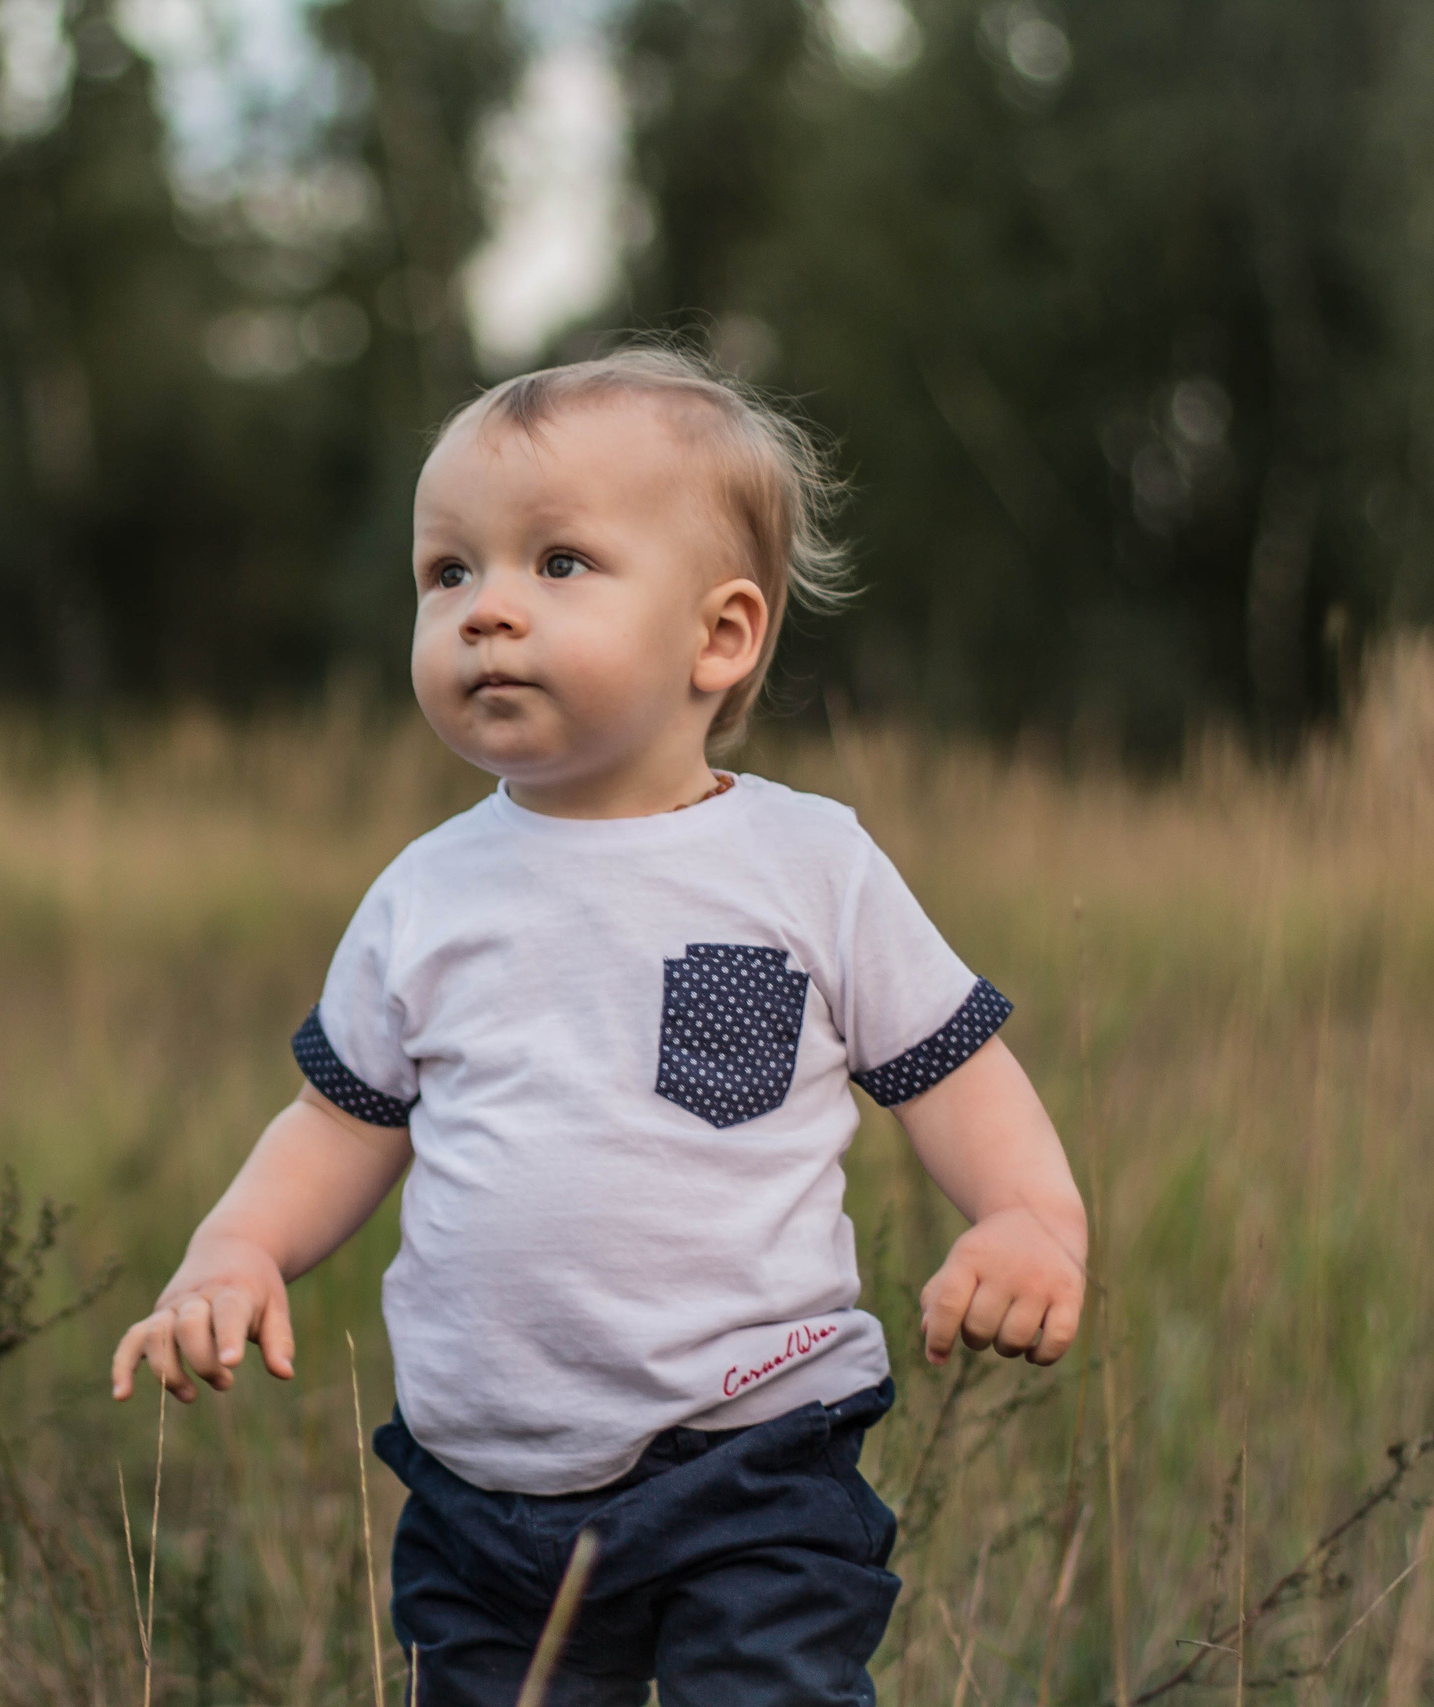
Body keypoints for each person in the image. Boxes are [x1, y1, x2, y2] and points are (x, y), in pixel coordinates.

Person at [108, 347, 1088, 1705]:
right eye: (447, 573)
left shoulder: (810, 866)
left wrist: (1031, 1220)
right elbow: (341, 1120)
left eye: (557, 564)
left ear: (720, 635)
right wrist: (236, 1249)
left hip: (750, 1461)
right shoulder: (426, 895)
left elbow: (954, 1070)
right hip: (481, 1493)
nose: (486, 612)